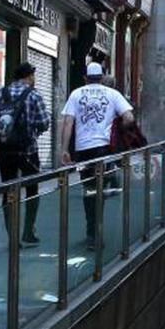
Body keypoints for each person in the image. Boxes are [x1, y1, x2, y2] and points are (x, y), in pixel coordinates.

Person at [60, 62, 135, 248]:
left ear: (85, 77)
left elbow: (68, 122)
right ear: (102, 77)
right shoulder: (112, 94)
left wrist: (64, 149)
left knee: (89, 189)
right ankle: (96, 231)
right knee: (99, 189)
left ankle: (92, 233)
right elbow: (129, 118)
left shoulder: (76, 94)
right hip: (103, 148)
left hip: (83, 150)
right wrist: (117, 128)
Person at [0, 62, 50, 245]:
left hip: (5, 151)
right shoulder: (34, 95)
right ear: (29, 76)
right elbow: (44, 122)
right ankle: (28, 231)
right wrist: (33, 130)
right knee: (32, 189)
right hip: (28, 150)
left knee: (9, 191)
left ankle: (12, 236)